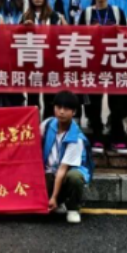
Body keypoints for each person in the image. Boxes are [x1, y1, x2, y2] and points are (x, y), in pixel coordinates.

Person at [78, 0, 127, 155]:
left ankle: (118, 137)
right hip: (93, 62)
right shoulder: (86, 13)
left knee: (116, 102)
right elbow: (78, 37)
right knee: (94, 103)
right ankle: (97, 136)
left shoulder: (117, 12)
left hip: (114, 62)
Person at [41, 91, 94, 226]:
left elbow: (62, 169)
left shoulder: (76, 138)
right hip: (48, 173)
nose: (61, 112)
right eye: (58, 107)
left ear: (74, 112)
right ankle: (58, 203)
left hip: (65, 174)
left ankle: (73, 208)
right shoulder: (47, 124)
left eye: (66, 109)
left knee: (74, 177)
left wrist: (53, 197)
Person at [24, 0, 64, 118]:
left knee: (50, 96)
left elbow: (61, 35)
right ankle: (33, 123)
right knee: (32, 97)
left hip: (50, 61)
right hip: (32, 61)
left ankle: (48, 123)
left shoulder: (54, 16)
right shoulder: (26, 16)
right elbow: (16, 37)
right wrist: (24, 28)